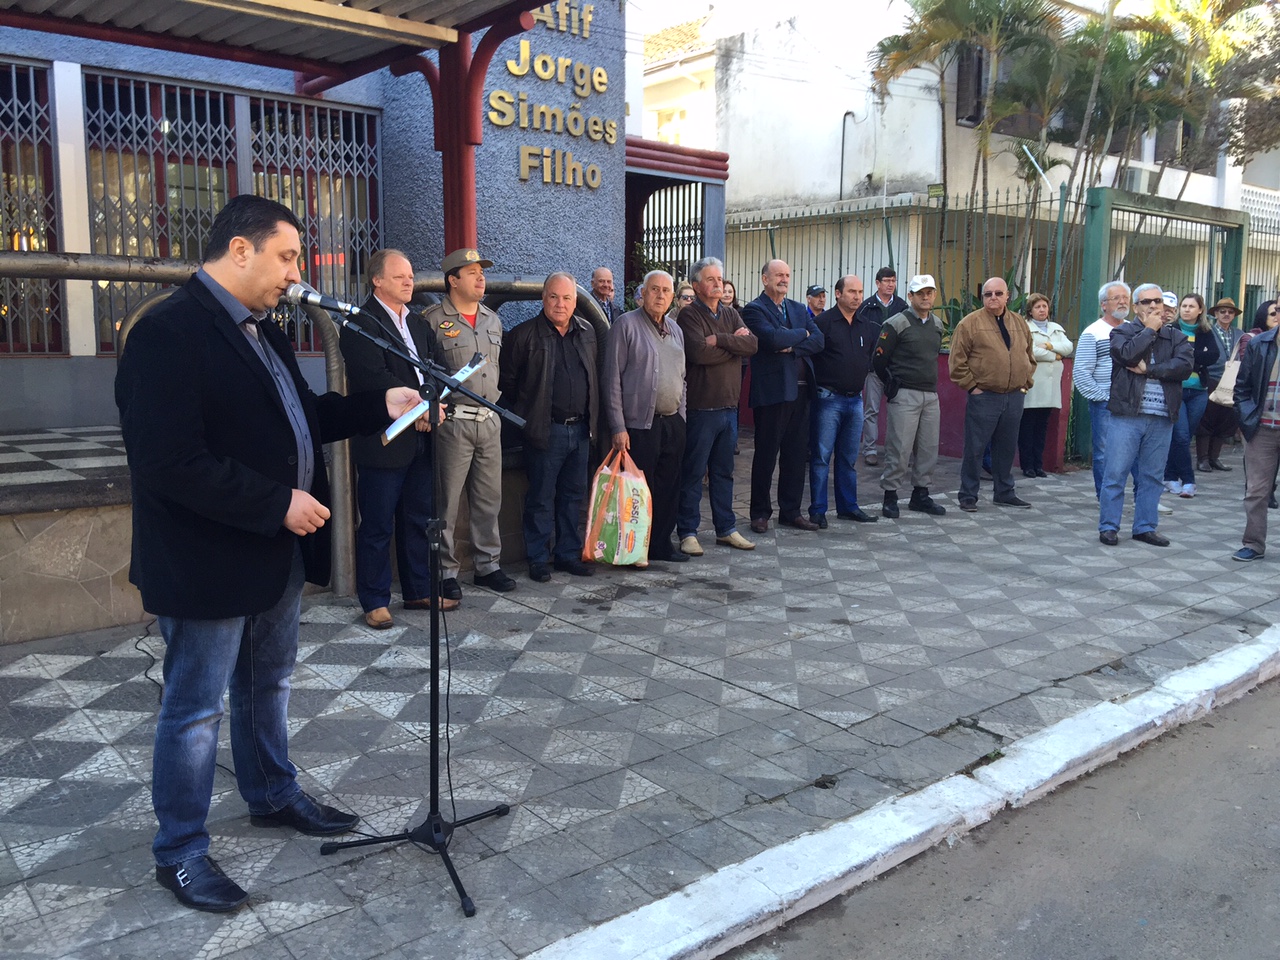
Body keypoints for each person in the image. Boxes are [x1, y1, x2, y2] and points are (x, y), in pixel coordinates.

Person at [115, 195, 424, 912]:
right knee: (195, 710)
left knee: (269, 682)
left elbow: (301, 418)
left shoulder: (264, 331)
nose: (296, 273)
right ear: (241, 250)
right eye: (287, 257)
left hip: (271, 554)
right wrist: (275, 501)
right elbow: (168, 463)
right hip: (206, 559)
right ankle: (181, 851)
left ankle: (272, 794)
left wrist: (375, 404)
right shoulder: (168, 332)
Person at [339, 249, 453, 631]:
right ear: (377, 280)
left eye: (410, 276)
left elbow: (439, 367)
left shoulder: (419, 324)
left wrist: (432, 403)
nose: (410, 282)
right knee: (377, 522)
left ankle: (418, 588)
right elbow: (374, 377)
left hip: (423, 436)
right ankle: (374, 599)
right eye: (401, 276)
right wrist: (419, 407)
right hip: (384, 439)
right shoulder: (360, 323)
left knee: (419, 517)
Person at [426, 248, 516, 600]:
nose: (481, 278)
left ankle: (487, 565)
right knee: (447, 500)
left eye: (482, 272)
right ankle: (446, 570)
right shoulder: (434, 319)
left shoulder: (492, 320)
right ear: (453, 280)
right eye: (472, 272)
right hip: (454, 421)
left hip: (489, 420)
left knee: (488, 498)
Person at [499, 273, 598, 581]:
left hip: (580, 430)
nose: (560, 304)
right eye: (554, 297)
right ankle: (538, 558)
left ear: (575, 302)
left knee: (573, 495)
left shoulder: (587, 332)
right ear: (543, 299)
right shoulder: (523, 335)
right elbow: (509, 386)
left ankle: (567, 554)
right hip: (545, 430)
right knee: (541, 498)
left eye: (567, 298)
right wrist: (529, 418)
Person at [1097, 283, 1193, 547]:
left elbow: (1184, 367)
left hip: (1162, 418)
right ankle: (1108, 527)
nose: (1153, 306)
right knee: (1116, 473)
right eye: (1147, 301)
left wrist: (1150, 370)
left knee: (1152, 475)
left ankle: (1145, 527)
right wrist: (1150, 329)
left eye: (1158, 301)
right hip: (1127, 415)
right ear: (1136, 306)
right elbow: (1126, 354)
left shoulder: (1176, 337)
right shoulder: (1122, 332)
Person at [604, 270, 688, 562]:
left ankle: (662, 545)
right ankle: (635, 548)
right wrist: (618, 425)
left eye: (666, 290)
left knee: (668, 487)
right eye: (655, 289)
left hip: (672, 422)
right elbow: (612, 378)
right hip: (639, 426)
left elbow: (682, 377)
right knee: (638, 492)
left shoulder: (675, 329)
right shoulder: (625, 325)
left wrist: (682, 416)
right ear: (643, 293)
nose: (661, 295)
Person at [677, 256, 758, 552]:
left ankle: (726, 528)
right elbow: (698, 353)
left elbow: (752, 345)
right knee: (695, 472)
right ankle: (687, 531)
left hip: (729, 408)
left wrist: (719, 340)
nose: (718, 284)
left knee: (724, 472)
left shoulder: (729, 313)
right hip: (702, 409)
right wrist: (732, 346)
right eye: (711, 279)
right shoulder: (689, 315)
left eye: (720, 279)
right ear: (697, 285)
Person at [742, 259, 825, 532]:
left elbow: (819, 340)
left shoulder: (800, 309)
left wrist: (793, 345)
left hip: (802, 392)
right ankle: (760, 513)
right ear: (765, 278)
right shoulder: (755, 309)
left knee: (796, 454)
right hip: (773, 393)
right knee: (766, 454)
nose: (784, 279)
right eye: (778, 275)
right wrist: (802, 334)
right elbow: (772, 339)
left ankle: (791, 511)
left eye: (787, 275)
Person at [949, 277, 1036, 512]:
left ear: (1008, 296)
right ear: (983, 297)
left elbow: (1029, 355)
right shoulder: (969, 324)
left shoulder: (1019, 323)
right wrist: (973, 388)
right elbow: (956, 363)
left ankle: (1005, 493)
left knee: (1006, 448)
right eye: (988, 294)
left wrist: (1025, 383)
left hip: (1014, 396)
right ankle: (968, 495)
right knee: (975, 448)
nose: (994, 298)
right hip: (984, 396)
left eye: (999, 293)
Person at [808, 275, 888, 526]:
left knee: (848, 458)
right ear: (838, 294)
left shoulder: (867, 325)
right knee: (821, 458)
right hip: (828, 399)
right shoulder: (822, 323)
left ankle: (848, 507)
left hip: (855, 401)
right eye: (851, 291)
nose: (857, 296)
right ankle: (818, 510)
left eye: (860, 292)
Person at [873, 275, 947, 518]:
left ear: (934, 295)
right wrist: (892, 385)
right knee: (899, 448)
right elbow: (879, 359)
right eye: (920, 293)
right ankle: (890, 495)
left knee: (928, 448)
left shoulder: (937, 325)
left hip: (930, 395)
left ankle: (920, 495)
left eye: (929, 293)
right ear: (910, 296)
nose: (926, 297)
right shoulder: (896, 324)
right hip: (904, 394)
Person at [1072, 282, 1132, 498]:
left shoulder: (1134, 330)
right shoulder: (1093, 333)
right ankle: (1106, 496)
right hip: (1106, 402)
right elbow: (1081, 373)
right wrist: (1103, 397)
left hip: (1132, 401)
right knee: (1104, 453)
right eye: (1117, 298)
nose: (1123, 301)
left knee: (1134, 452)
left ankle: (1139, 497)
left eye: (1125, 297)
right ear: (1103, 305)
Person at [1231, 309, 1280, 561]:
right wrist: (1248, 417)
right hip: (1263, 428)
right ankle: (1253, 543)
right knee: (1256, 490)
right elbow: (1242, 386)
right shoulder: (1260, 343)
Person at [1162, 293, 1218, 498]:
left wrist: (1187, 358)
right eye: (1183, 305)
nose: (1186, 309)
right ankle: (1188, 480)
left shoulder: (1205, 331)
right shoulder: (1171, 329)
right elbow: (1169, 358)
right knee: (1182, 436)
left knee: (1182, 438)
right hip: (1176, 390)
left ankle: (1168, 476)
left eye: (1191, 306)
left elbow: (1213, 355)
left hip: (1199, 391)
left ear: (1200, 310)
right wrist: (1195, 358)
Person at [855, 267, 909, 468]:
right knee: (872, 410)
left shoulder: (903, 307)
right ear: (877, 283)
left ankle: (895, 451)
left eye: (893, 281)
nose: (890, 284)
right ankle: (870, 449)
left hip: (896, 369)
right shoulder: (866, 307)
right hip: (873, 368)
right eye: (886, 281)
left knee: (900, 412)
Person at [1017, 293, 1073, 478]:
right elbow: (1030, 351)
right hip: (1034, 385)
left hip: (1050, 388)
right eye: (1037, 307)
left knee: (1042, 427)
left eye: (1044, 306)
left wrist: (1049, 345)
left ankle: (1038, 465)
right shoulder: (1026, 327)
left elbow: (1068, 347)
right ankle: (1027, 465)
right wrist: (1055, 355)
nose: (1042, 310)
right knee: (1028, 426)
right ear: (1030, 311)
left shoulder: (1056, 328)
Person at [1196, 297, 1244, 472]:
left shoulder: (1239, 334)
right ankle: (1202, 459)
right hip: (1212, 379)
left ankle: (1215, 458)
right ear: (1215, 313)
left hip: (1233, 382)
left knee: (1226, 421)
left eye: (1230, 312)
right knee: (1206, 420)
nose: (1226, 314)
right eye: (1222, 311)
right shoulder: (1207, 331)